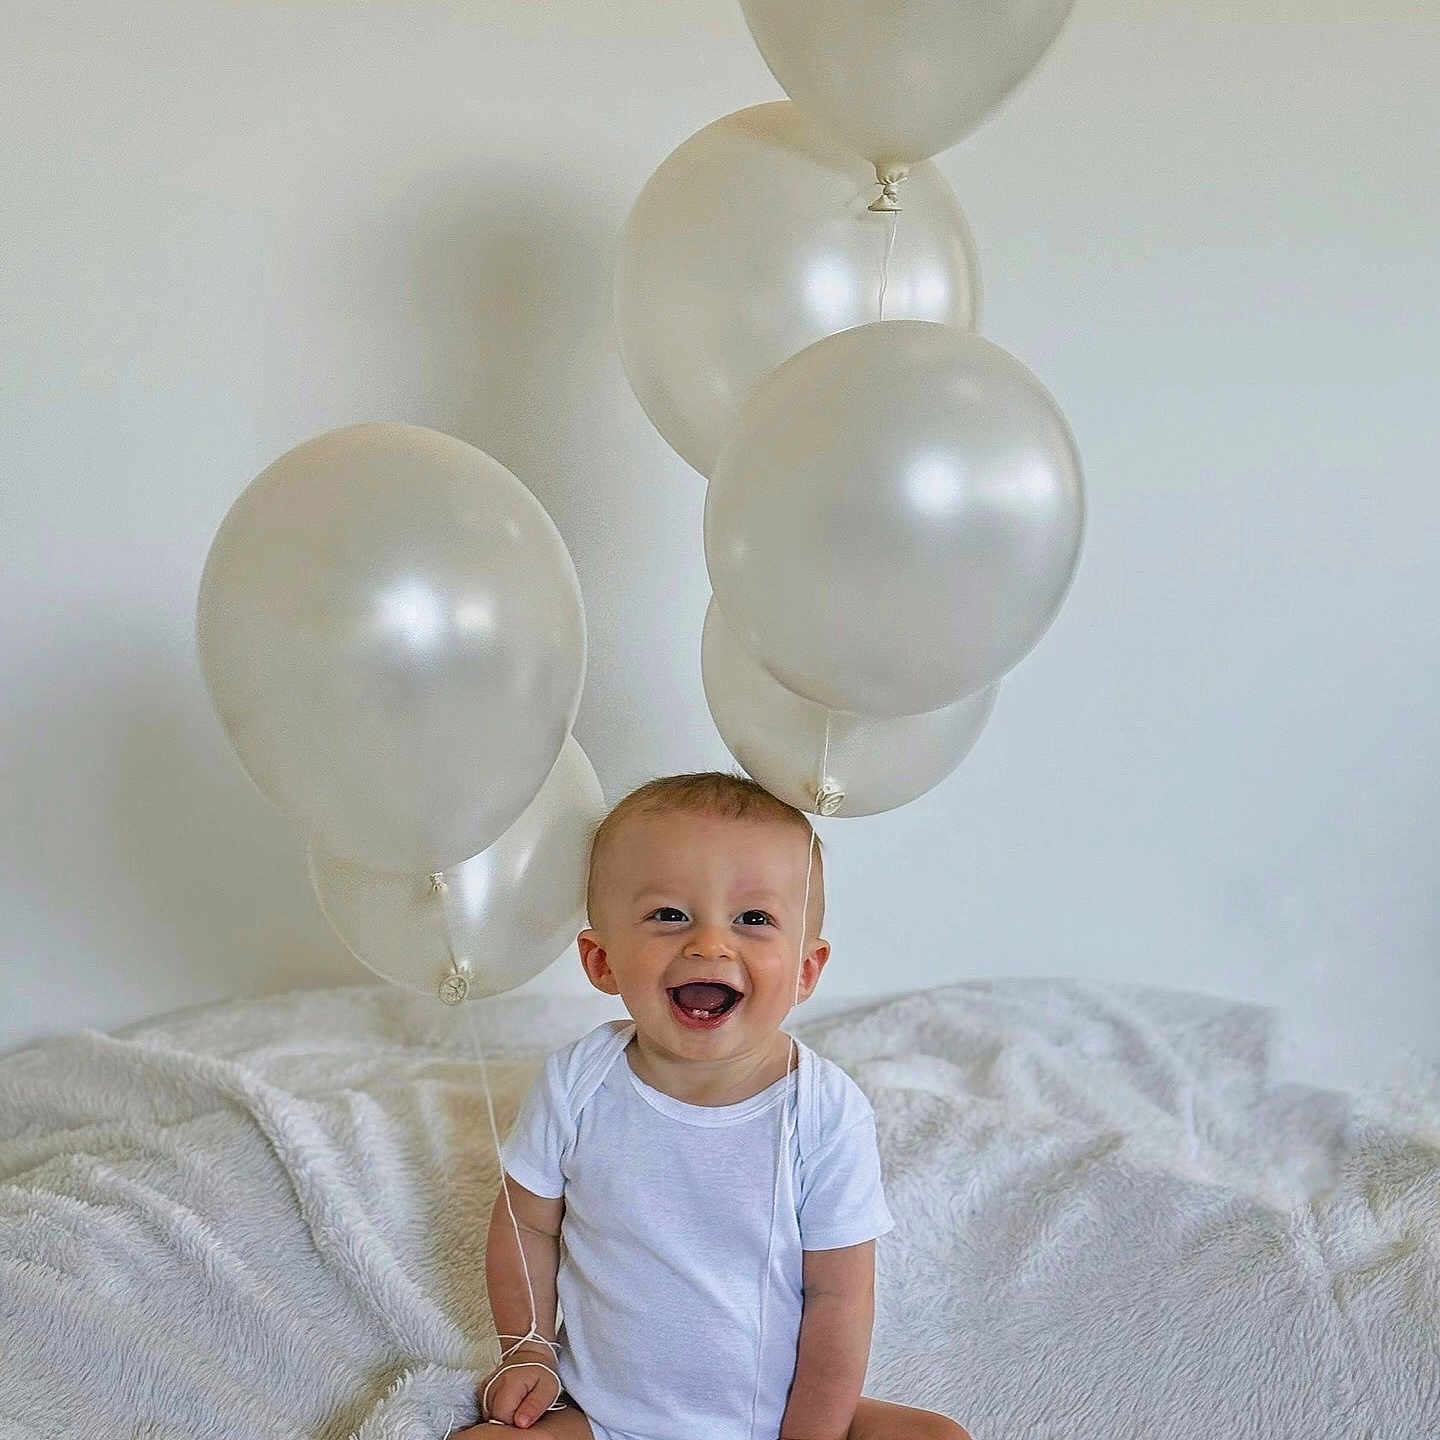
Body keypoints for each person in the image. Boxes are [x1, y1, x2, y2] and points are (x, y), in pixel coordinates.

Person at [452, 772, 971, 1440]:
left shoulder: (823, 1111)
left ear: (806, 970)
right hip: (602, 1416)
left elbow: (840, 1297)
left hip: (776, 1418)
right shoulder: (579, 1081)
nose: (709, 944)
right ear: (601, 960)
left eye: (753, 919)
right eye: (669, 914)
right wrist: (528, 1348)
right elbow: (527, 1225)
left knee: (939, 1437)